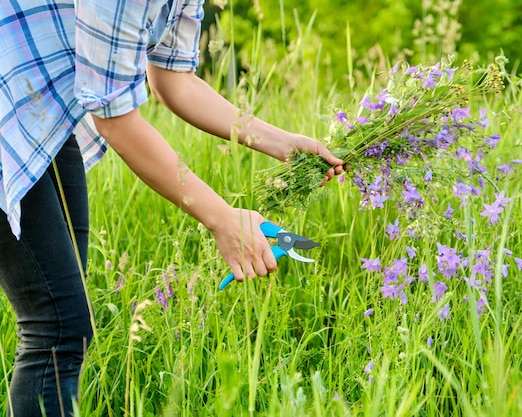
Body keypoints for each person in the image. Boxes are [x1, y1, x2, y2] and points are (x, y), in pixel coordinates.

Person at [0, 1, 344, 416]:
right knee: (57, 327)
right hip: (12, 104)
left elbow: (173, 81)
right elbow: (115, 119)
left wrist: (281, 141)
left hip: (40, 109)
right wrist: (222, 218)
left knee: (66, 323)